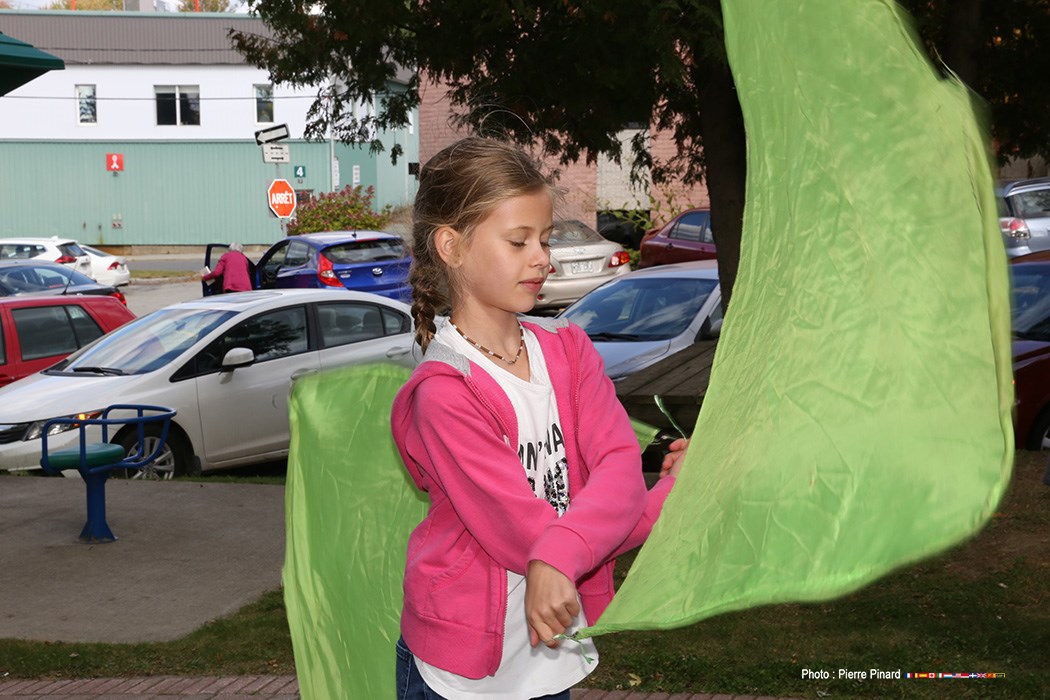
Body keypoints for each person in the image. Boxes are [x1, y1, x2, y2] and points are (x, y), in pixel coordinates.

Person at [390, 137, 685, 700]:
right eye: (519, 241)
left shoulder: (569, 350)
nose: (542, 258)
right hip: (458, 680)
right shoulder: (445, 393)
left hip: (547, 661)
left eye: (545, 240)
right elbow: (529, 533)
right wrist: (557, 555)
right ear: (451, 246)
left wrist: (677, 489)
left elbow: (617, 474)